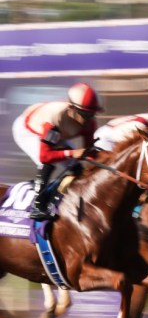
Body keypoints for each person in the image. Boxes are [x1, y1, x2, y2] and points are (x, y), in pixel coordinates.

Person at [11, 82, 103, 220]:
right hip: (28, 130)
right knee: (47, 164)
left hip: (57, 134)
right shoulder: (55, 119)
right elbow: (45, 156)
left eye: (92, 115)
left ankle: (69, 198)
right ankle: (38, 206)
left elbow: (90, 154)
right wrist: (72, 153)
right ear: (72, 108)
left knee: (77, 169)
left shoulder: (89, 122)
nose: (88, 120)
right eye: (85, 115)